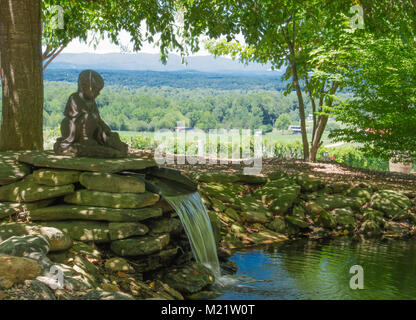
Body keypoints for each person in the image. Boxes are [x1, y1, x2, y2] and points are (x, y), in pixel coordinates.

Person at [54, 70, 128, 158]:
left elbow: (97, 118)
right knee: (89, 117)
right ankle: (85, 140)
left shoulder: (92, 102)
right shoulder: (75, 98)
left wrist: (104, 128)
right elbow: (75, 117)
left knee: (108, 133)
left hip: (91, 130)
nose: (98, 93)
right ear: (83, 86)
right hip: (74, 128)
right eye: (96, 90)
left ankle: (104, 143)